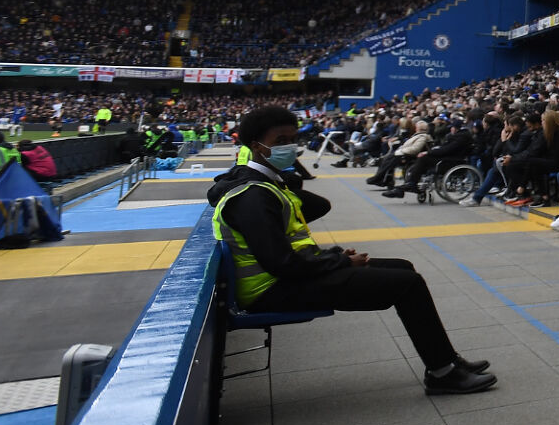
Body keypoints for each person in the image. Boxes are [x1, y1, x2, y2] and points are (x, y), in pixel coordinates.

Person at [209, 105, 494, 394]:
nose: (290, 147)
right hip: (270, 290)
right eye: (280, 141)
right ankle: (442, 374)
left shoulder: (267, 183)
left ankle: (446, 358)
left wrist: (289, 184)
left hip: (287, 276)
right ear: (257, 147)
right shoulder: (252, 196)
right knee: (408, 284)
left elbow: (318, 208)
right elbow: (281, 263)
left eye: (293, 140)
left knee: (403, 267)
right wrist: (340, 262)